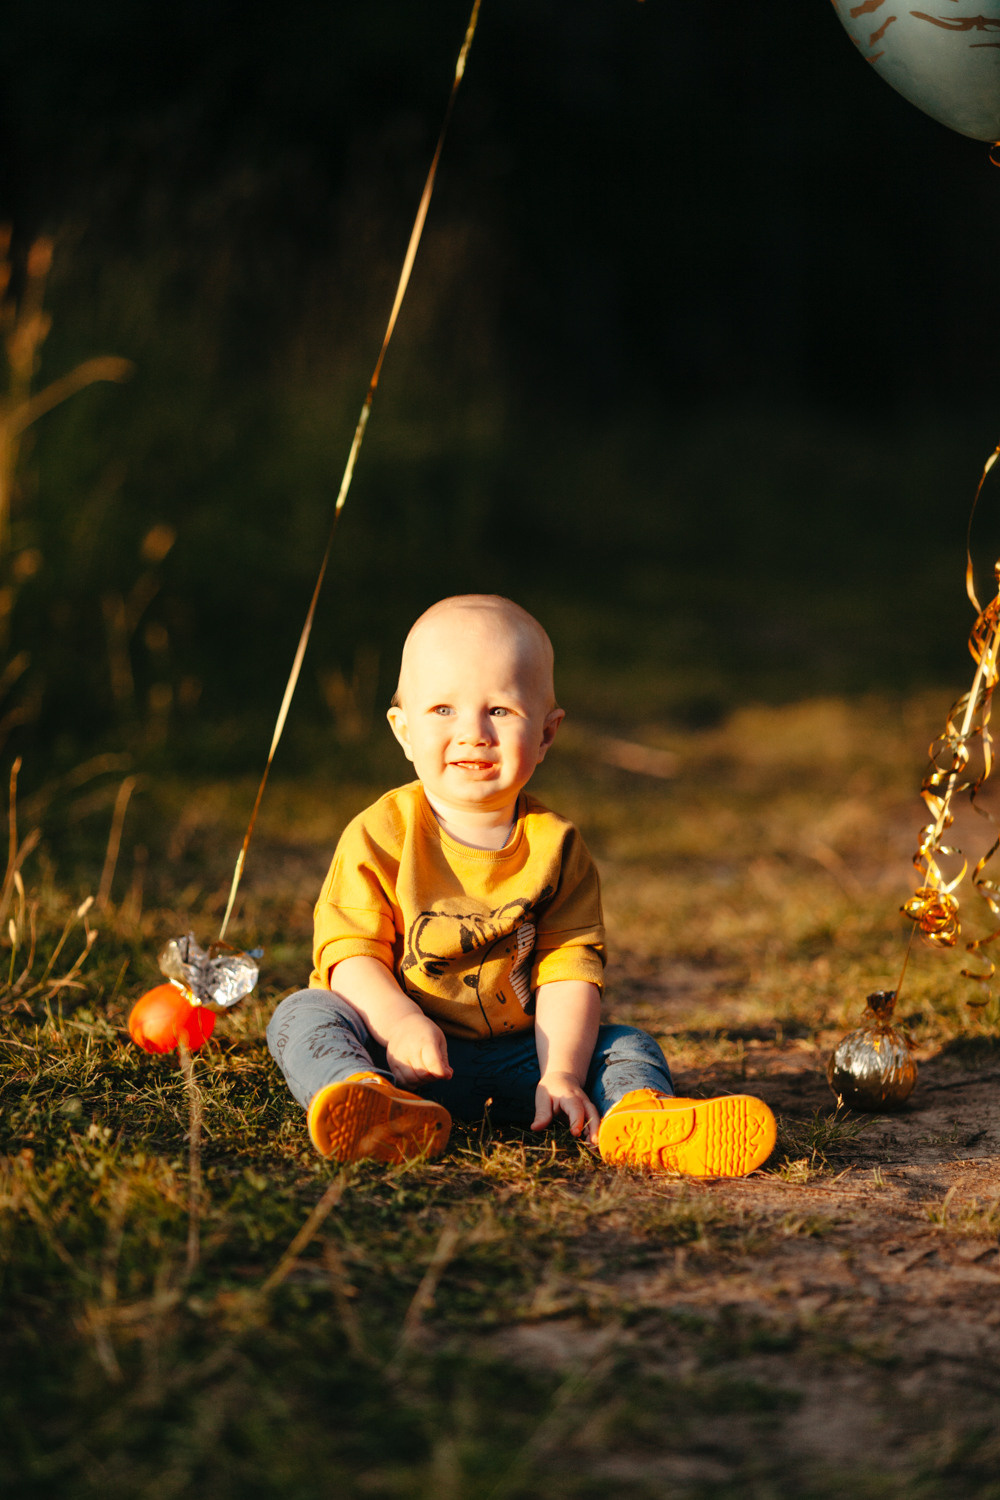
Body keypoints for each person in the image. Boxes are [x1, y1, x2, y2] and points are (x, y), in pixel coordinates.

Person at [267, 594, 776, 1176]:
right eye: (442, 710)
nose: (473, 733)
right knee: (303, 1013)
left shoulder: (557, 848)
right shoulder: (380, 834)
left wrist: (559, 1071)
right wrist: (401, 1026)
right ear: (402, 730)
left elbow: (568, 970)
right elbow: (349, 955)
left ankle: (638, 1116)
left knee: (624, 1044)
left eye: (501, 711)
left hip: (520, 1059)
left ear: (547, 733)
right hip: (397, 1052)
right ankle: (369, 1100)